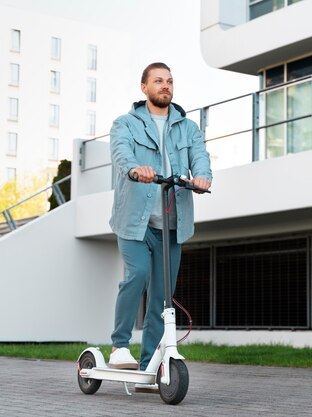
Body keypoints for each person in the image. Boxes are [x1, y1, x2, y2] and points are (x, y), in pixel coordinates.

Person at [107, 62, 212, 390]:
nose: (165, 86)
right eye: (158, 81)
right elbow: (120, 153)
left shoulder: (188, 127)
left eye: (169, 81)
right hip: (134, 222)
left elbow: (200, 156)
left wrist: (204, 177)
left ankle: (150, 365)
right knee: (136, 274)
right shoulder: (125, 123)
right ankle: (119, 345)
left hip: (172, 224)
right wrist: (135, 169)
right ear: (144, 87)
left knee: (163, 297)